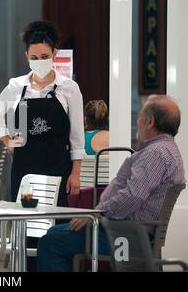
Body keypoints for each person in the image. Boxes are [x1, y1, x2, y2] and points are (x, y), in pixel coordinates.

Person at [36, 95, 185, 272]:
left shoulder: (155, 154)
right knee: (56, 234)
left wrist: (96, 214)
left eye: (139, 117)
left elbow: (133, 196)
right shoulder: (166, 150)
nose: (137, 121)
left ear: (150, 121)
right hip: (131, 230)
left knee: (51, 241)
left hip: (126, 234)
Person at [0, 20, 85, 205]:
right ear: (26, 57)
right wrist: (7, 141)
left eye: (44, 56)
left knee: (56, 225)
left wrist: (75, 173)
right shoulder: (16, 85)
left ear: (54, 54)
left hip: (58, 166)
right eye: (34, 58)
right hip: (24, 166)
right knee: (26, 222)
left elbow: (77, 136)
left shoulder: (69, 88)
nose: (39, 62)